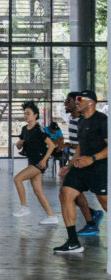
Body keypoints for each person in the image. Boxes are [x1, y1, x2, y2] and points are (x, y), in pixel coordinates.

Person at [54, 90, 108, 254]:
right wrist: (69, 166)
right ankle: (73, 242)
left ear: (91, 102)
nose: (77, 102)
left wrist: (93, 158)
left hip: (99, 167)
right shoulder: (82, 121)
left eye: (80, 99)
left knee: (106, 203)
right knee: (65, 193)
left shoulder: (102, 121)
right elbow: (80, 148)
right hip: (81, 167)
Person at [13, 101, 58, 225]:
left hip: (39, 163)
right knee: (38, 191)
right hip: (31, 161)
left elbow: (52, 146)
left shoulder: (39, 129)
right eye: (25, 113)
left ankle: (24, 207)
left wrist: (44, 160)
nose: (26, 115)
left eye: (28, 113)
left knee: (17, 179)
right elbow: (19, 146)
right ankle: (51, 216)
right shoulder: (24, 129)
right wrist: (18, 144)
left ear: (36, 115)